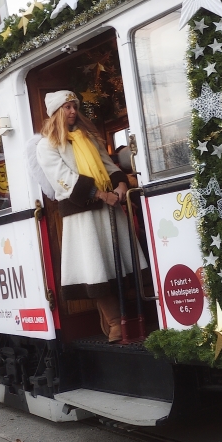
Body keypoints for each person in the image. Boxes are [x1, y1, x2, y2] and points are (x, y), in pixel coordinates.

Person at [35, 91, 145, 342]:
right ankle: (115, 323)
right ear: (55, 112)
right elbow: (62, 178)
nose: (72, 111)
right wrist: (99, 194)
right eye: (66, 107)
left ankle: (130, 319)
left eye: (74, 106)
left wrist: (120, 187)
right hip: (83, 215)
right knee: (96, 268)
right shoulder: (47, 145)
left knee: (116, 264)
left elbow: (108, 166)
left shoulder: (89, 138)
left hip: (109, 208)